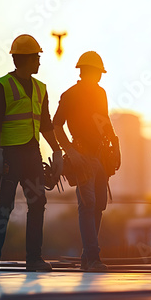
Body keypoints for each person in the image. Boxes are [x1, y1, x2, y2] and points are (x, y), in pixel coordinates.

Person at [0, 34, 63, 272]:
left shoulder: (40, 88)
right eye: (37, 57)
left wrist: (57, 150)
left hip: (32, 154)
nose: (39, 61)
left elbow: (46, 123)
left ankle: (34, 259)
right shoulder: (3, 85)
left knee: (38, 203)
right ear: (26, 59)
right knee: (3, 205)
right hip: (9, 155)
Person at [53, 51, 120, 272]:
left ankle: (87, 257)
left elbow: (104, 120)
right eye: (98, 73)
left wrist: (114, 144)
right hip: (82, 157)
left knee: (98, 205)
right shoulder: (70, 95)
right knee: (87, 206)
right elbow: (56, 125)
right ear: (87, 72)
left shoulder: (100, 93)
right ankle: (92, 258)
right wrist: (70, 151)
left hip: (99, 156)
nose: (99, 77)